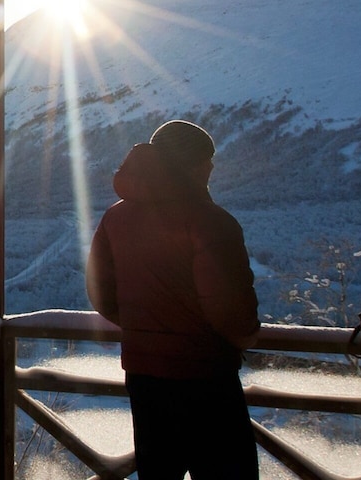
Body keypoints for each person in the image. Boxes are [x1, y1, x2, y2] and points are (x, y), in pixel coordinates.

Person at [85, 120, 259, 479]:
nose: (211, 167)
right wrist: (246, 337)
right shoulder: (211, 222)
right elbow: (231, 312)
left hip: (144, 378)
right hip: (206, 379)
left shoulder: (115, 218)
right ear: (192, 165)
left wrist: (146, 327)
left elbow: (101, 293)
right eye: (206, 160)